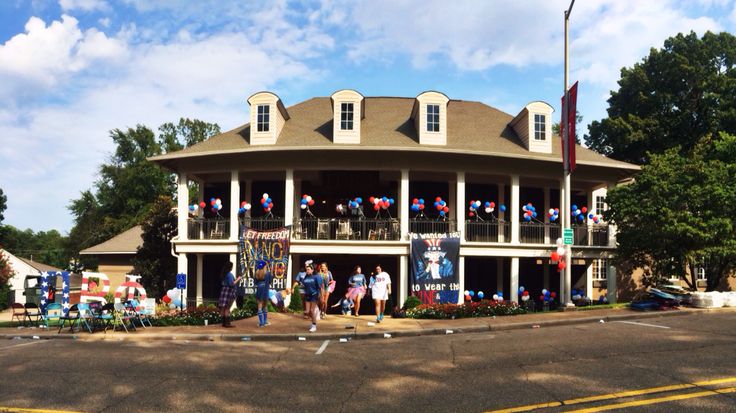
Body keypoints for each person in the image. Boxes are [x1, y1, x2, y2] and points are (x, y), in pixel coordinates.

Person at [218, 261, 242, 328]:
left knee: (223, 308)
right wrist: (238, 279)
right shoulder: (229, 274)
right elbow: (232, 284)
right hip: (229, 291)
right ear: (230, 267)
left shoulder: (224, 274)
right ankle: (227, 323)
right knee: (227, 308)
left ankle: (223, 323)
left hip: (224, 291)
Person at [301, 263, 323, 332]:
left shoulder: (316, 277)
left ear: (312, 270)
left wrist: (321, 296)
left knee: (312, 310)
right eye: (306, 270)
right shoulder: (305, 277)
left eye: (308, 269)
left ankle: (314, 325)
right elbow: (304, 286)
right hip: (307, 295)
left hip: (314, 294)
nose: (307, 271)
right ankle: (314, 321)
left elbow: (320, 287)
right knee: (307, 312)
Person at [254, 260, 273, 327]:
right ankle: (265, 321)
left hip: (259, 290)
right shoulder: (267, 273)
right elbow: (270, 281)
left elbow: (255, 282)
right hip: (265, 290)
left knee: (259, 305)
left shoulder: (257, 273)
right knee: (265, 305)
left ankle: (261, 323)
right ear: (265, 266)